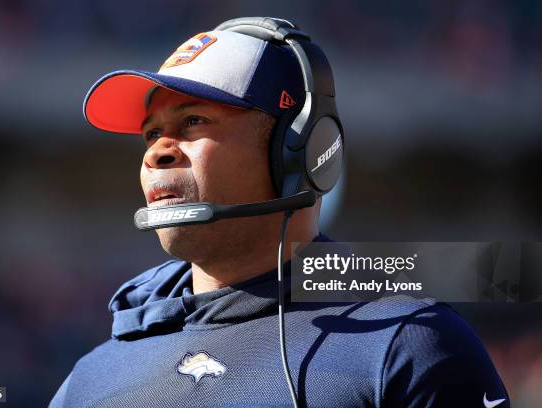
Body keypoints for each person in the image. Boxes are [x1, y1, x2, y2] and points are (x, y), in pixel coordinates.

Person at [49, 17, 509, 408]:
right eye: (151, 135)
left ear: (301, 153)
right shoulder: (88, 381)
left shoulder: (409, 346)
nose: (158, 154)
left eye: (193, 122)